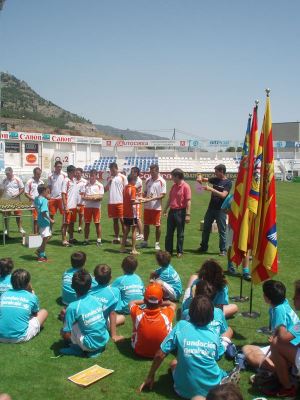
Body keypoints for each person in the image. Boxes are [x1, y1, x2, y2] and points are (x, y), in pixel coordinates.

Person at [139, 295, 227, 399]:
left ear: (190, 312)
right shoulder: (214, 335)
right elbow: (216, 357)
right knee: (220, 372)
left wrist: (150, 376)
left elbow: (160, 354)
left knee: (174, 363)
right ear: (211, 316)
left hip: (182, 391)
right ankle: (226, 378)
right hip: (213, 390)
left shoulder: (181, 326)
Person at [243, 279, 299, 372]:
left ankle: (280, 370)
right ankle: (281, 368)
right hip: (291, 347)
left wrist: (274, 340)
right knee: (248, 348)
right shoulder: (283, 302)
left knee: (249, 354)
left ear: (267, 298)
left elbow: (282, 337)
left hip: (289, 348)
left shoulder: (278, 310)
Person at [60, 269, 109, 357]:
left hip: (90, 345)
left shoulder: (73, 306)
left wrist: (64, 319)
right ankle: (94, 345)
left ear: (72, 286)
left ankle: (76, 349)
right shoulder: (96, 299)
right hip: (104, 338)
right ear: (90, 286)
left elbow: (66, 332)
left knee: (65, 330)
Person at [182, 280, 234, 360]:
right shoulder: (218, 312)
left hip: (188, 350)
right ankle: (225, 347)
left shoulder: (187, 312)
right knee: (229, 330)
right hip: (213, 352)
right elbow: (223, 331)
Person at [266, 280, 300, 398]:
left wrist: (280, 325)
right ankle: (286, 375)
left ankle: (288, 387)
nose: (292, 299)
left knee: (276, 344)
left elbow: (283, 337)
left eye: (295, 297)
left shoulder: (279, 309)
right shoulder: (283, 305)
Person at [0, 269, 48, 343]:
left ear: (11, 282)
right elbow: (35, 313)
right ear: (28, 283)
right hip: (20, 337)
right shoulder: (31, 296)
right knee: (44, 312)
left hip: (1, 336)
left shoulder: (4, 294)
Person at [129, 282, 176, 358]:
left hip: (139, 351)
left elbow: (132, 302)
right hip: (162, 351)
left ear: (144, 299)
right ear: (160, 301)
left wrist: (146, 300)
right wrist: (161, 302)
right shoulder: (166, 314)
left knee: (136, 324)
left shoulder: (138, 313)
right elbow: (173, 304)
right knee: (169, 323)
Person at [197, 164, 232, 256]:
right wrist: (199, 176)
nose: (215, 173)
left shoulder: (228, 182)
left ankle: (223, 250)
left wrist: (211, 189)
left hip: (221, 210)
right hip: (211, 208)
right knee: (206, 228)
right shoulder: (215, 179)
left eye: (216, 171)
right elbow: (203, 179)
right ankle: (203, 247)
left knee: (222, 230)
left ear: (221, 171)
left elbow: (223, 195)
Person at [221, 194, 251, 280]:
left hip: (246, 226)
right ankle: (230, 265)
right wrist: (231, 211)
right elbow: (223, 208)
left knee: (246, 246)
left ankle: (245, 270)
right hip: (233, 225)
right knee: (231, 245)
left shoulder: (249, 196)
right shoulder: (232, 197)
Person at [91, 264, 125, 338]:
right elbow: (112, 313)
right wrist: (114, 335)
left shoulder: (89, 290)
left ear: (95, 278)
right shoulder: (115, 292)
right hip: (101, 325)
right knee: (122, 317)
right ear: (110, 277)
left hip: (87, 322)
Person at [163, 168, 191, 258]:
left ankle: (179, 251)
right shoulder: (174, 186)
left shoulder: (186, 186)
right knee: (169, 233)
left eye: (173, 176)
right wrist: (165, 209)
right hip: (172, 212)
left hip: (180, 212)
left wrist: (188, 214)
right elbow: (170, 199)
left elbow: (188, 201)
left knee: (180, 233)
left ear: (177, 176)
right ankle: (168, 251)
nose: (172, 178)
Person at [139, 164, 166, 251]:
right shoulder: (147, 180)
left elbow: (163, 195)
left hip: (156, 207)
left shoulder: (162, 181)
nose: (151, 173)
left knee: (157, 226)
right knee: (146, 225)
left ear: (157, 171)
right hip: (147, 207)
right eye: (150, 171)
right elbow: (145, 192)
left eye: (153, 171)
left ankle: (157, 243)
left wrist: (152, 199)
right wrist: (141, 197)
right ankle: (145, 242)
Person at [104, 162, 127, 244]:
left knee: (122, 220)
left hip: (121, 202)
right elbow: (105, 190)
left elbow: (126, 190)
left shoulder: (123, 177)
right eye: (110, 170)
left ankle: (125, 238)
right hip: (111, 202)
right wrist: (109, 182)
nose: (111, 171)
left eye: (113, 170)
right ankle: (117, 237)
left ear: (116, 168)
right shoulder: (108, 178)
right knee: (115, 221)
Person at [80, 169, 104, 246]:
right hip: (87, 207)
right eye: (91, 175)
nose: (92, 177)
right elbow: (82, 197)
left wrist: (90, 197)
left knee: (97, 223)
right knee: (87, 224)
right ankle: (86, 240)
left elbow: (100, 197)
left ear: (96, 176)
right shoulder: (85, 185)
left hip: (96, 207)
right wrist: (93, 198)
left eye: (93, 175)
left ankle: (99, 240)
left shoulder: (100, 185)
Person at [120, 174, 140, 255]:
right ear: (133, 180)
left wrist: (138, 198)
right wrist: (142, 201)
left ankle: (122, 248)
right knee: (134, 230)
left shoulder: (125, 188)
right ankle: (133, 249)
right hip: (132, 213)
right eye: (135, 180)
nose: (136, 182)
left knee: (126, 231)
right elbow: (132, 201)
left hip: (126, 212)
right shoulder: (133, 188)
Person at [2, 167, 25, 235]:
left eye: (8, 173)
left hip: (16, 201)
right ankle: (6, 229)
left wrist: (16, 195)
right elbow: (2, 189)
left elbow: (22, 188)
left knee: (18, 215)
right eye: (6, 174)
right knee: (6, 215)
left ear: (11, 172)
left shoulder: (17, 179)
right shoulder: (4, 180)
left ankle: (20, 228)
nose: (7, 175)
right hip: (7, 201)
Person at [34, 184, 53, 262]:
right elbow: (44, 212)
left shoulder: (36, 198)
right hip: (45, 221)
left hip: (40, 220)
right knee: (45, 238)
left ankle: (41, 252)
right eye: (47, 191)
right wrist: (50, 219)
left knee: (48, 236)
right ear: (43, 191)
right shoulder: (44, 200)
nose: (47, 193)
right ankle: (41, 255)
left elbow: (36, 208)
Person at [61, 165, 78, 246]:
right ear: (69, 172)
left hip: (73, 206)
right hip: (67, 206)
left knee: (72, 223)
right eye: (74, 171)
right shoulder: (66, 181)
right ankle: (64, 240)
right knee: (65, 223)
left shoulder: (74, 180)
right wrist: (65, 206)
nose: (75, 173)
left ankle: (71, 238)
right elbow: (63, 194)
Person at [24, 167, 44, 234]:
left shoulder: (42, 182)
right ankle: (35, 235)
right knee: (35, 220)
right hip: (33, 204)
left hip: (41, 204)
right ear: (34, 174)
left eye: (40, 174)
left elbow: (44, 193)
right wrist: (34, 199)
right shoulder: (29, 182)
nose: (39, 176)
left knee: (40, 219)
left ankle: (38, 234)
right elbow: (26, 193)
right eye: (38, 174)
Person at [48, 160, 66, 229]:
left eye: (60, 167)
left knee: (64, 214)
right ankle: (50, 229)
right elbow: (49, 186)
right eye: (58, 167)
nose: (59, 168)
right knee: (51, 214)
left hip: (61, 198)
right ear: (54, 167)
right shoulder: (50, 175)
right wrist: (49, 195)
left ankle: (64, 229)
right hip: (52, 198)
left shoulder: (64, 175)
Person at [130, 166, 144, 241]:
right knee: (135, 218)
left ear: (136, 173)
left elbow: (132, 189)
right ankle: (138, 233)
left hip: (137, 201)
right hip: (134, 201)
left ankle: (141, 234)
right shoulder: (133, 179)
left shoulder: (139, 181)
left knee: (138, 218)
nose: (131, 173)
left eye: (132, 172)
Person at [75, 167, 87, 234]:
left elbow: (86, 191)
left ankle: (79, 228)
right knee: (72, 216)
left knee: (81, 215)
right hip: (73, 202)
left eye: (79, 173)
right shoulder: (73, 180)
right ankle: (70, 227)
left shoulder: (85, 182)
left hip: (81, 202)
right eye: (76, 173)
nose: (77, 174)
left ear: (81, 174)